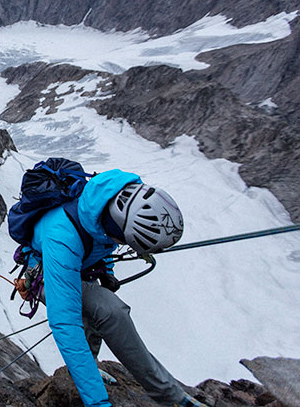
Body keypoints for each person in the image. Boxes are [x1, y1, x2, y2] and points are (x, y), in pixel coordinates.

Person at [13, 169, 206, 407]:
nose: (122, 244)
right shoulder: (62, 237)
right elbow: (66, 324)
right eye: (124, 240)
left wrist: (107, 273)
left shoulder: (107, 198)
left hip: (78, 264)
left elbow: (100, 241)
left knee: (96, 307)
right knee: (110, 311)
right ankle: (170, 397)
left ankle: (90, 366)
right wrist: (97, 403)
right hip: (45, 273)